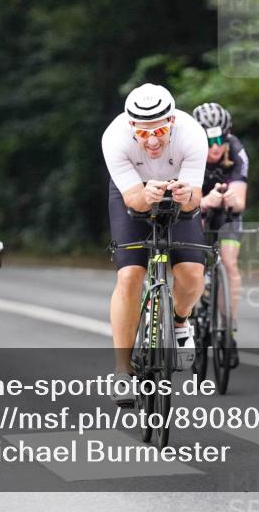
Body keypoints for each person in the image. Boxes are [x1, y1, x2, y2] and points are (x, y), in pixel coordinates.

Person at [101, 83, 208, 406]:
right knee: (129, 276)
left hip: (180, 192)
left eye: (159, 130)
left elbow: (195, 202)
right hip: (131, 194)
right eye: (143, 132)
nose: (152, 140)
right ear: (131, 125)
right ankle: (122, 371)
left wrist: (186, 196)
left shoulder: (192, 133)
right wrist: (145, 196)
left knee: (191, 273)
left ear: (172, 122)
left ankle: (179, 321)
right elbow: (133, 200)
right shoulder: (114, 137)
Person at [192, 102, 249, 368]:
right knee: (192, 265)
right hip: (196, 210)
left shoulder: (237, 152)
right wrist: (205, 201)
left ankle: (229, 330)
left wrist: (227, 198)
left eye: (220, 139)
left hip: (226, 215)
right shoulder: (188, 152)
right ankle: (194, 307)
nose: (215, 147)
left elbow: (240, 203)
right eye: (208, 140)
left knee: (229, 263)